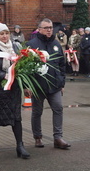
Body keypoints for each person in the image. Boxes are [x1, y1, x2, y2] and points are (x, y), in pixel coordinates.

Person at [0, 22, 30, 159]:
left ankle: (20, 145)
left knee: (16, 117)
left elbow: (21, 68)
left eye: (6, 33)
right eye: (2, 33)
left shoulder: (14, 47)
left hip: (12, 90)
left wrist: (25, 86)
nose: (5, 36)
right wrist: (3, 75)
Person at [26, 18, 70, 149]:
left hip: (54, 85)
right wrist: (27, 86)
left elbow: (62, 65)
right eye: (46, 28)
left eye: (51, 28)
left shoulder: (56, 44)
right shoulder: (32, 44)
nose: (49, 30)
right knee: (37, 112)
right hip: (38, 86)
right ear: (39, 29)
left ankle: (58, 137)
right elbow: (26, 67)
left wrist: (62, 84)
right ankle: (37, 137)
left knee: (58, 108)